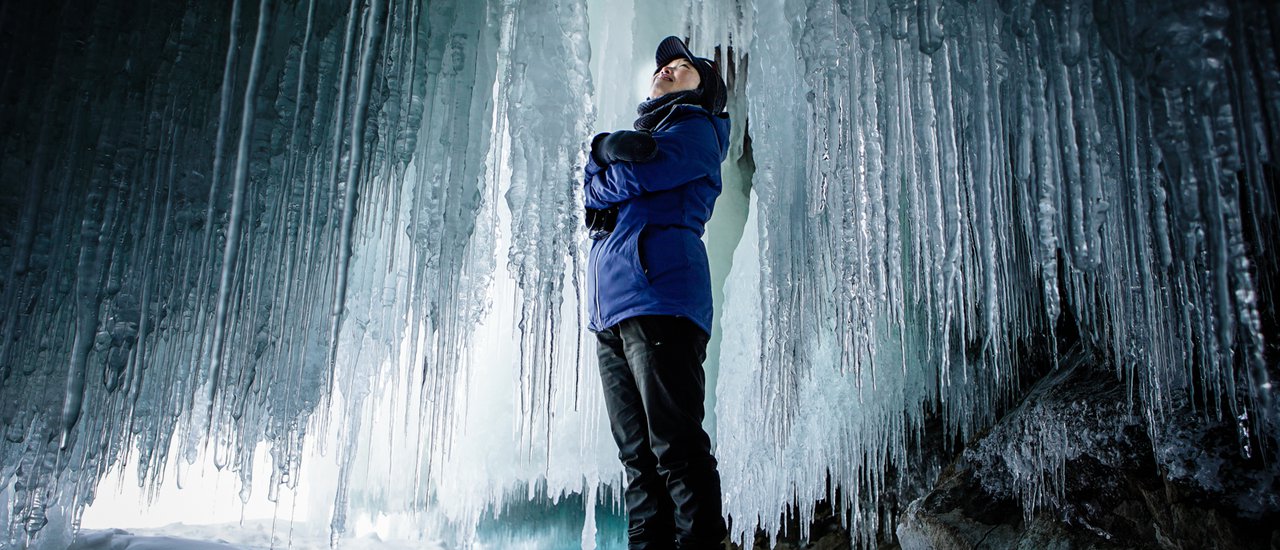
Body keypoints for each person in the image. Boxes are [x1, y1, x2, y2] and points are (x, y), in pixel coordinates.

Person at [582, 36, 731, 550]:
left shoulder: (699, 129)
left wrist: (605, 164)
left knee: (677, 450)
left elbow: (643, 172)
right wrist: (603, 149)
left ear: (705, 89)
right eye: (663, 64)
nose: (667, 69)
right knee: (638, 462)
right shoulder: (650, 132)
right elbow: (589, 191)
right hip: (612, 313)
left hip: (660, 299)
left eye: (682, 66)